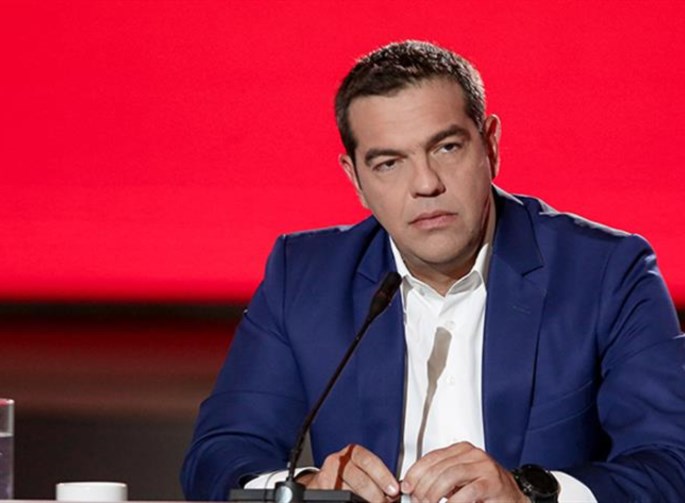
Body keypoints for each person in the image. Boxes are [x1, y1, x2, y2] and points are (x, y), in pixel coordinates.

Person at [181, 41, 685, 502]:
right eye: (388, 163)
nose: (425, 184)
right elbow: (219, 457)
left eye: (446, 148)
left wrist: (532, 494)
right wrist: (307, 489)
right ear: (355, 179)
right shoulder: (306, 277)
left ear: (490, 145)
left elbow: (672, 462)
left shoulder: (605, 273)